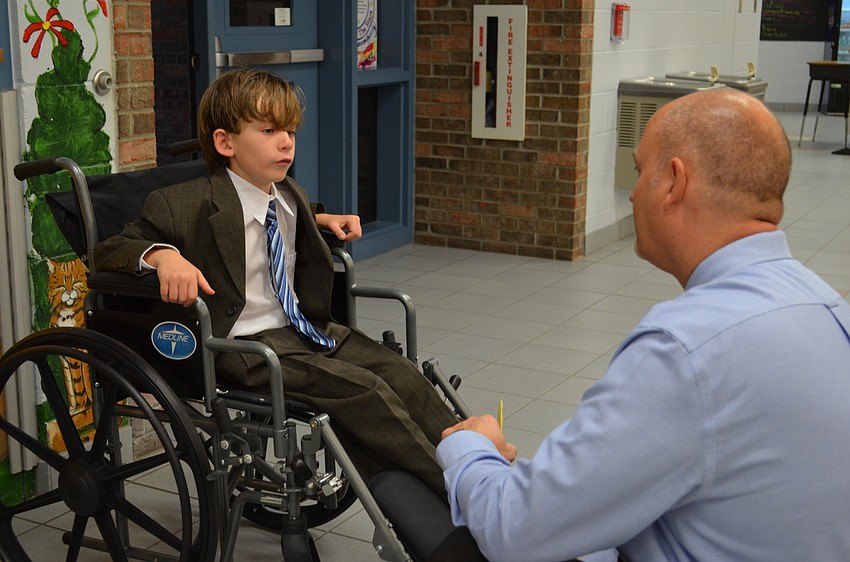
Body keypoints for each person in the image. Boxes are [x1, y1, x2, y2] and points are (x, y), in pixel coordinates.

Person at [436, 88, 850, 561]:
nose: (632, 193)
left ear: (674, 182)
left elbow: (515, 530)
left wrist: (472, 447)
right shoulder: (830, 309)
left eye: (639, 171)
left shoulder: (687, 350)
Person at [95, 68, 458, 495]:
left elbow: (290, 215)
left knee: (401, 374)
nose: (286, 142)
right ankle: (458, 492)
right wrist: (162, 256)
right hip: (244, 345)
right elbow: (110, 249)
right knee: (367, 391)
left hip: (305, 329)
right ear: (225, 142)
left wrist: (322, 219)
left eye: (290, 131)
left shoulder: (288, 194)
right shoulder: (183, 204)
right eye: (268, 130)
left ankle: (476, 455)